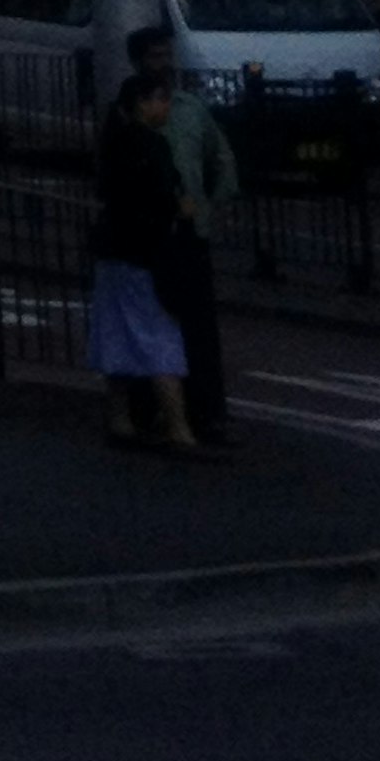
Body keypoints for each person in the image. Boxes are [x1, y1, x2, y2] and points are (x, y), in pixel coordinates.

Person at [88, 40, 197, 455]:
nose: (165, 108)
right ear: (143, 103)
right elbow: (163, 198)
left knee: (115, 334)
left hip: (113, 250)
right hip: (145, 254)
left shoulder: (114, 141)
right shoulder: (151, 146)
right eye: (161, 101)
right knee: (160, 338)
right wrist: (178, 208)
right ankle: (178, 426)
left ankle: (121, 418)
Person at [153, 35, 242, 453]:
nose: (163, 64)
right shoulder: (133, 111)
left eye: (165, 55)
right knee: (161, 325)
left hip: (190, 234)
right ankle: (170, 410)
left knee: (199, 327)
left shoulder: (190, 109)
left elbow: (221, 159)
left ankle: (208, 412)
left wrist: (212, 207)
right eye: (154, 57)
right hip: (153, 236)